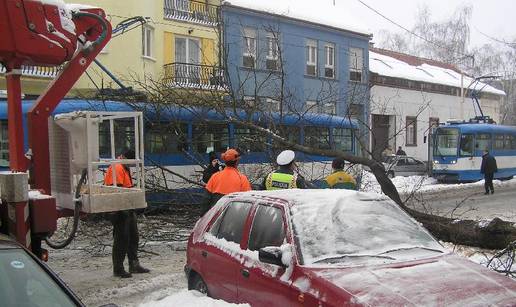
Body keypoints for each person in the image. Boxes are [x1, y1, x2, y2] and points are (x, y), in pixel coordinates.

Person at [105, 149, 149, 278]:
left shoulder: (122, 166)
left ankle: (133, 264)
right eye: (130, 162)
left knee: (133, 237)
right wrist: (129, 207)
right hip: (119, 209)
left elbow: (127, 189)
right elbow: (119, 191)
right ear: (125, 157)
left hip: (127, 208)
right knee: (121, 239)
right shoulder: (117, 167)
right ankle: (118, 268)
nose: (131, 165)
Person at [203, 148, 252, 214]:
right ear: (237, 162)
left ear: (224, 161)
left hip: (216, 215)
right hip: (234, 216)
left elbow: (206, 199)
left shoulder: (214, 177)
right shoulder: (242, 179)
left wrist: (203, 215)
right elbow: (248, 201)